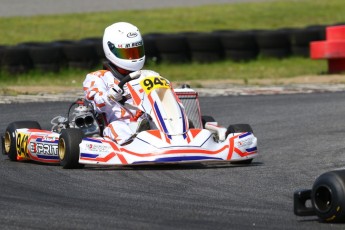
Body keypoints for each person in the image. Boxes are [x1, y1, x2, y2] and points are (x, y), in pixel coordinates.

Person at [83, 22, 146, 145]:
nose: (133, 58)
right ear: (112, 50)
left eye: (136, 52)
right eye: (126, 53)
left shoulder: (148, 76)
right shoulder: (98, 77)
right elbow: (97, 104)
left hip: (144, 121)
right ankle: (131, 145)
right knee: (117, 127)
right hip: (118, 125)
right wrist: (110, 96)